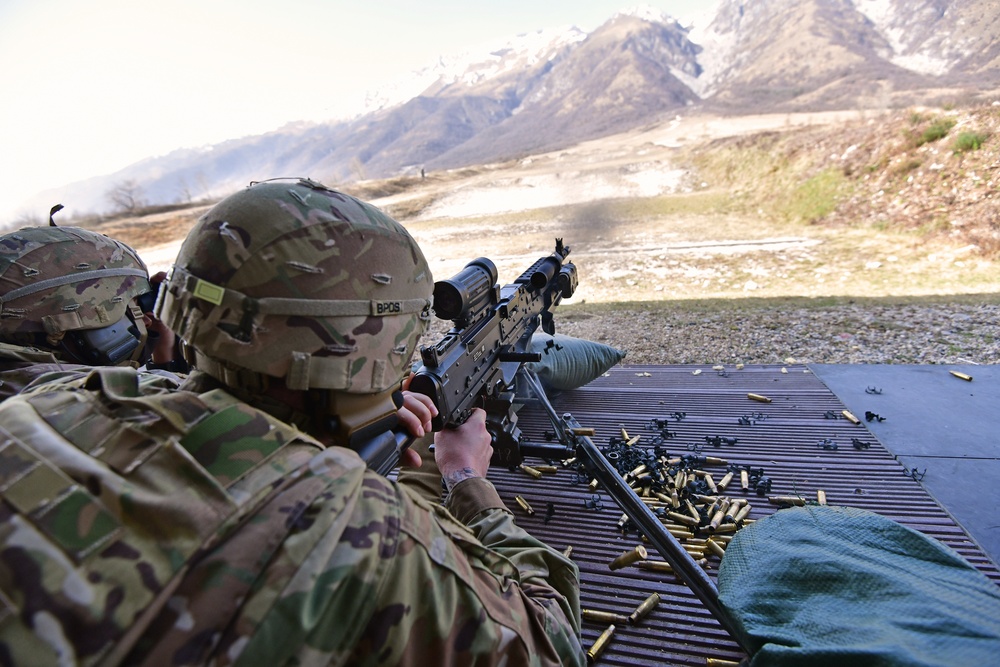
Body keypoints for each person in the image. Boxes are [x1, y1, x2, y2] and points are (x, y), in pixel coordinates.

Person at [0, 177, 584, 665]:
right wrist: (465, 478)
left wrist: (337, 422)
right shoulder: (365, 532)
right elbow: (552, 643)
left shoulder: (47, 401)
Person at [0, 224, 183, 400]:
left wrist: (164, 354)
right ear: (63, 324)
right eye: (130, 308)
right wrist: (176, 362)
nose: (147, 321)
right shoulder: (88, 394)